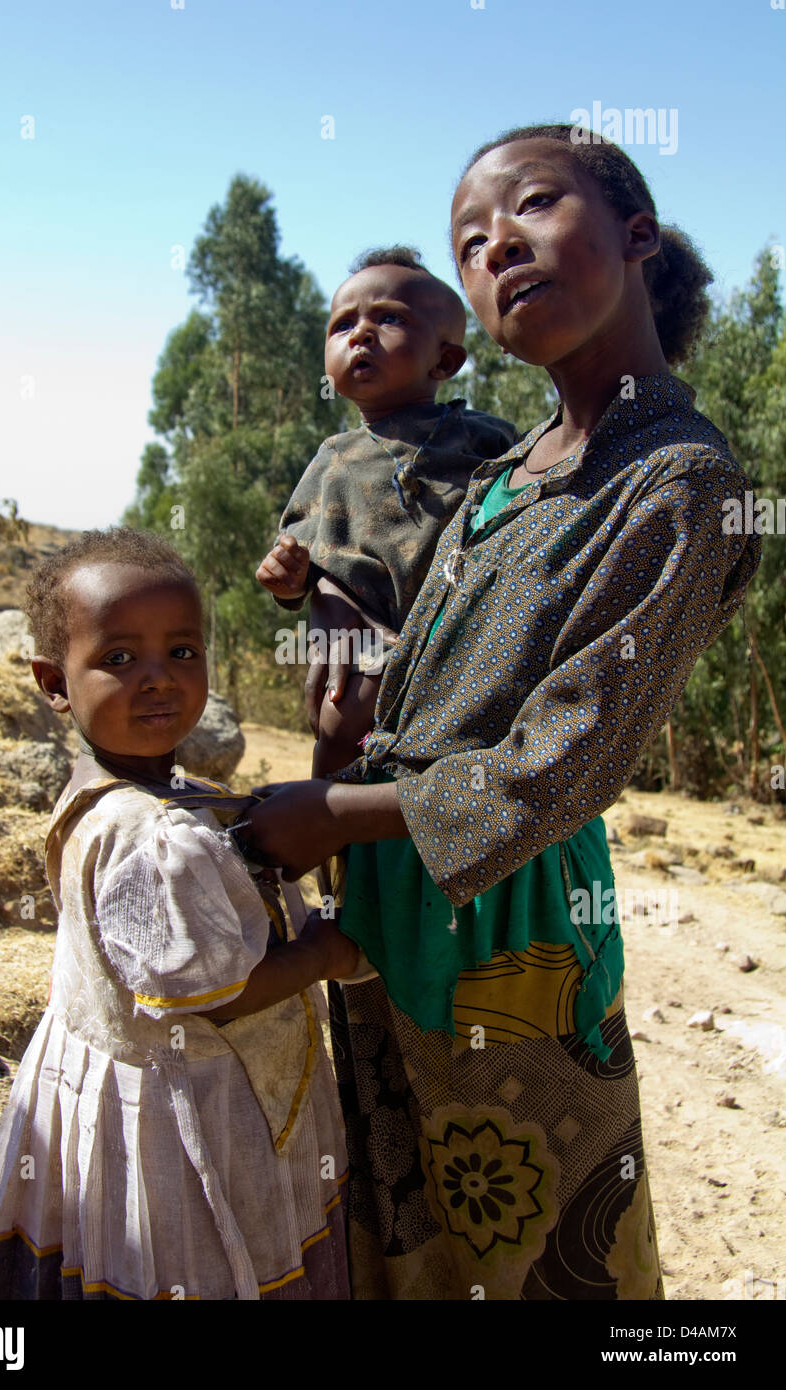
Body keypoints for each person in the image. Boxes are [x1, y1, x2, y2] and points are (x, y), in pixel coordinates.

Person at [239, 125, 763, 1300]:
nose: (498, 248)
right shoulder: (509, 467)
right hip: (386, 881)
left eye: (532, 207)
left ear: (636, 236)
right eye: (470, 243)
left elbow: (564, 762)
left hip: (512, 916)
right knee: (398, 1199)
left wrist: (332, 812)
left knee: (541, 1227)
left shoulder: (680, 482)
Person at [0, 528, 356, 1301]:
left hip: (108, 1088)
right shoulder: (150, 835)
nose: (158, 680)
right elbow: (218, 994)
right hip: (191, 1115)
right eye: (119, 659)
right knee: (188, 1260)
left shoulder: (125, 794)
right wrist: (326, 955)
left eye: (182, 653)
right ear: (52, 681)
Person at [256, 247, 515, 777]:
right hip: (368, 641)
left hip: (468, 643)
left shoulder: (490, 439)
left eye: (389, 318)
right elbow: (302, 558)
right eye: (343, 324)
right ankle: (323, 831)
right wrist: (287, 579)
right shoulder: (335, 457)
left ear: (445, 361)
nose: (361, 334)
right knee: (341, 717)